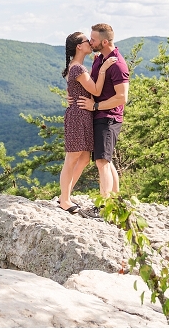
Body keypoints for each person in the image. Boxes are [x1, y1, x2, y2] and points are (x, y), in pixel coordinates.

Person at [58, 31, 117, 213]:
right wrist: (105, 68)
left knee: (83, 158)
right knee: (72, 158)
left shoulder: (76, 67)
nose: (90, 43)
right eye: (86, 41)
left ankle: (64, 194)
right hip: (78, 116)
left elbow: (74, 90)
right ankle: (64, 199)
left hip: (83, 115)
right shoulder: (78, 68)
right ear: (79, 46)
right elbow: (97, 90)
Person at [73, 23, 129, 200]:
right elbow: (93, 86)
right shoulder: (99, 59)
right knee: (105, 159)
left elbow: (122, 97)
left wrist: (95, 106)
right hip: (98, 116)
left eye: (94, 39)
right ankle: (115, 200)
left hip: (109, 117)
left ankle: (105, 205)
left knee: (102, 161)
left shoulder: (118, 65)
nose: (90, 41)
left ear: (104, 42)